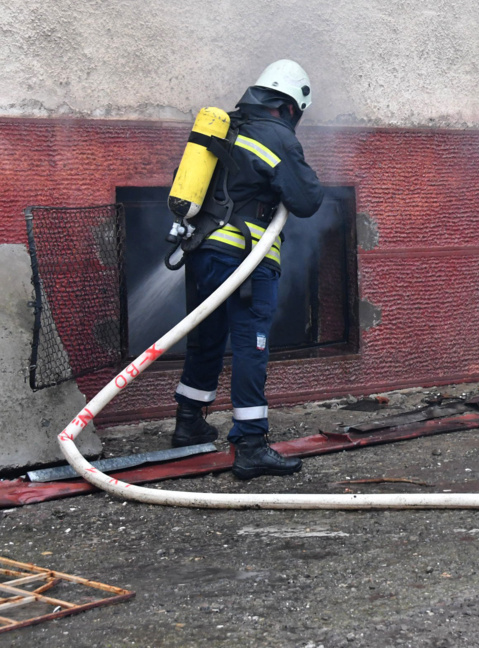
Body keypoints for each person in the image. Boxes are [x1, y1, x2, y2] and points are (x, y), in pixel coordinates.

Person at [170, 60, 325, 479]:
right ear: (289, 107)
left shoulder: (225, 128)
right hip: (245, 258)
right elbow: (308, 201)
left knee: (206, 332)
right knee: (250, 344)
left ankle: (189, 423)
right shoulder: (277, 135)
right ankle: (251, 445)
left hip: (202, 251)